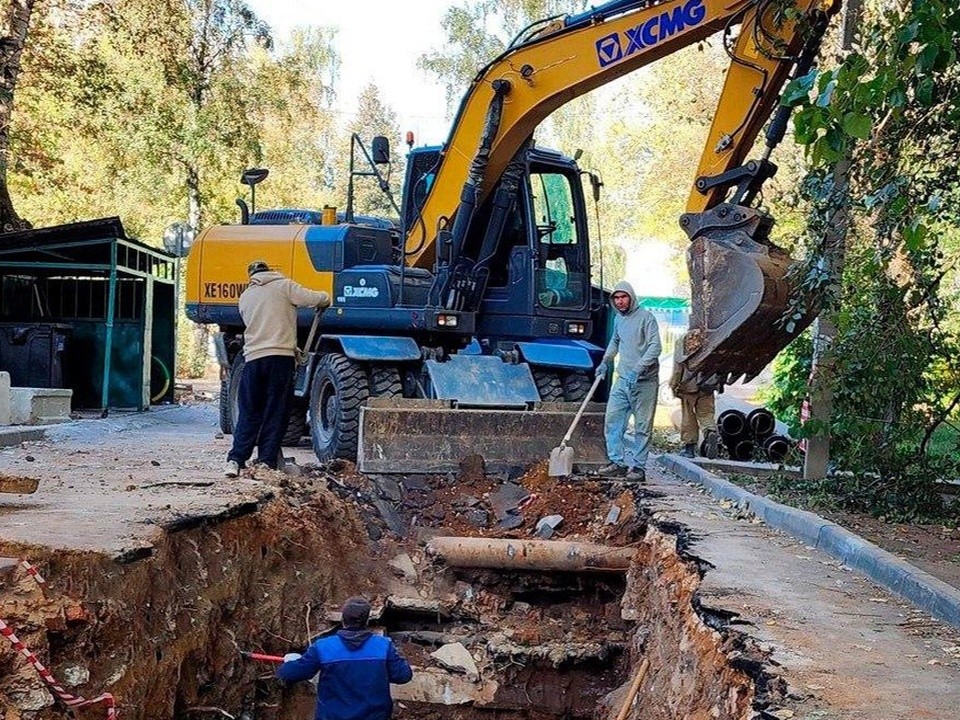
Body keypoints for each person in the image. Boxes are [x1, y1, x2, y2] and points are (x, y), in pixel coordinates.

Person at [223, 260, 330, 477]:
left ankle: (235, 461)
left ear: (251, 276)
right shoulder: (284, 286)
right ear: (269, 271)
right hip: (279, 359)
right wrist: (326, 298)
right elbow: (314, 298)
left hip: (252, 360)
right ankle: (266, 462)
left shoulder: (246, 297)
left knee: (249, 412)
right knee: (276, 411)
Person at [277, 596, 413, 720]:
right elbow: (404, 676)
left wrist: (292, 662)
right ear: (367, 621)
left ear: (343, 619)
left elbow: (288, 674)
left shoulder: (323, 647)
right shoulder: (384, 646)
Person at [595, 281, 662, 482]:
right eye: (616, 298)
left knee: (642, 425)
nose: (620, 301)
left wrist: (638, 369)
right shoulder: (618, 320)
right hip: (623, 380)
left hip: (644, 383)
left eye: (623, 297)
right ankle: (617, 462)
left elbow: (655, 347)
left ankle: (639, 468)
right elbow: (615, 341)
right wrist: (606, 361)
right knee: (613, 421)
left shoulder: (646, 318)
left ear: (631, 298)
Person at [670, 333, 720, 459]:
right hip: (708, 384)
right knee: (706, 414)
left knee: (688, 417)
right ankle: (710, 433)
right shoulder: (713, 337)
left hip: (689, 386)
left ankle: (689, 449)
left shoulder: (684, 340)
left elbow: (678, 367)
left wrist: (674, 385)